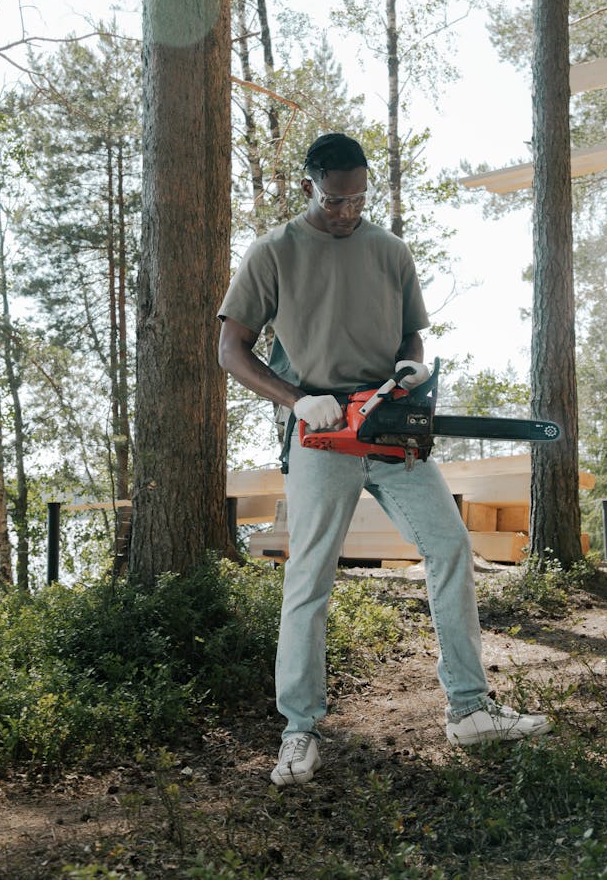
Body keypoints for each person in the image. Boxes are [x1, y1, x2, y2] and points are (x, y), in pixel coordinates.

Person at [218, 132, 551, 787]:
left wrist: (410, 367)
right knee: (309, 575)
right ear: (309, 186)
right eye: (337, 198)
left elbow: (412, 333)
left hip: (390, 424)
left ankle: (468, 706)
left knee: (451, 545)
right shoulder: (273, 253)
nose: (348, 210)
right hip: (320, 433)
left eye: (359, 197)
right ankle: (299, 730)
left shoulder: (389, 250)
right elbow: (232, 348)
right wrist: (295, 399)